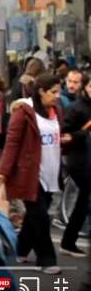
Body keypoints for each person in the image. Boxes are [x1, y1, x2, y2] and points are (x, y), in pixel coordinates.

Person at [0, 73, 64, 274]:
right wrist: (4, 171)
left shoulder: (57, 111)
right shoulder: (24, 113)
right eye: (53, 92)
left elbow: (58, 137)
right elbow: (12, 142)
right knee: (41, 216)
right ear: (41, 91)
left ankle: (20, 249)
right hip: (30, 175)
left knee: (34, 217)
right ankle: (46, 260)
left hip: (51, 173)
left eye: (58, 92)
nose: (57, 96)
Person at [59, 72, 91, 257]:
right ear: (85, 87)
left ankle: (68, 242)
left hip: (87, 159)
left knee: (83, 202)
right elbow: (65, 136)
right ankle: (68, 242)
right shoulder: (75, 108)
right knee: (83, 200)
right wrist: (84, 132)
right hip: (78, 161)